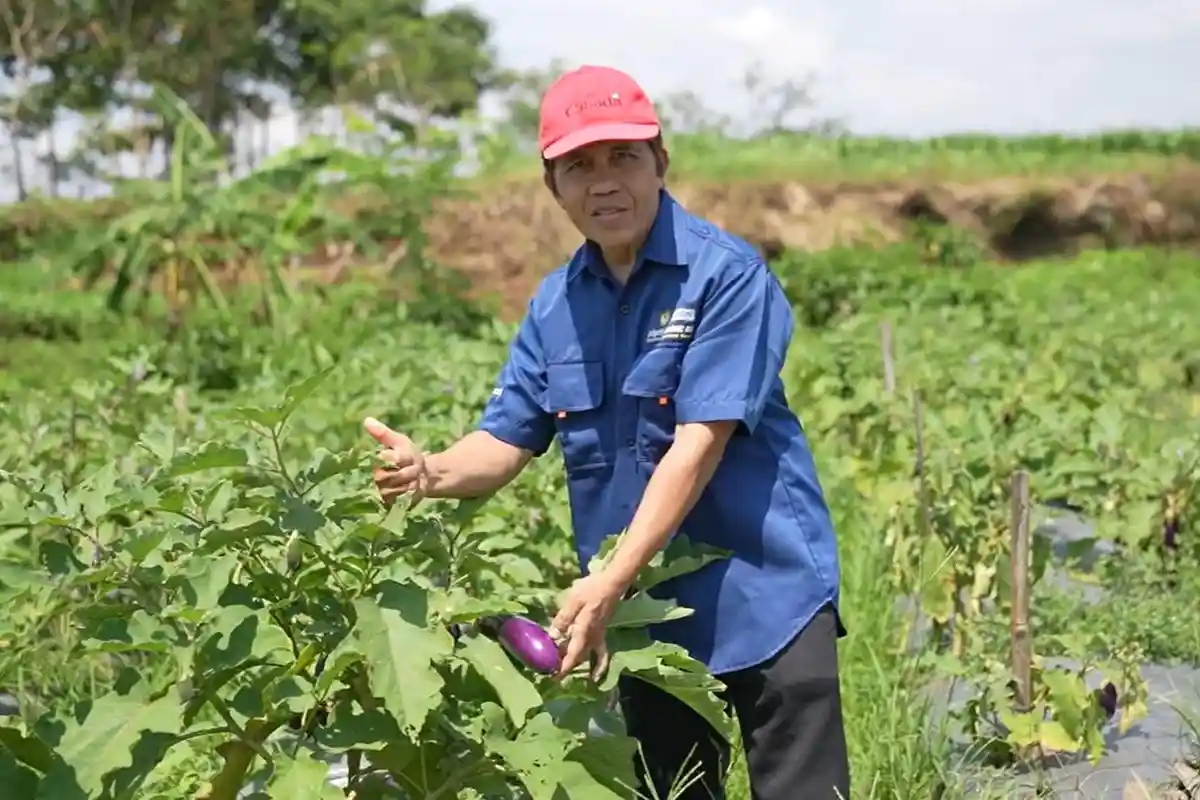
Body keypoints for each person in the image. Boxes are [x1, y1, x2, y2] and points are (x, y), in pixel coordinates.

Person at [365, 64, 850, 800]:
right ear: (551, 184)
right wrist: (428, 473)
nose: (604, 182)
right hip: (646, 619)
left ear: (660, 161)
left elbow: (699, 444)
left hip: (764, 595)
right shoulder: (556, 304)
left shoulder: (725, 276)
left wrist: (608, 580)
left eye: (623, 156)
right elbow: (504, 439)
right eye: (579, 165)